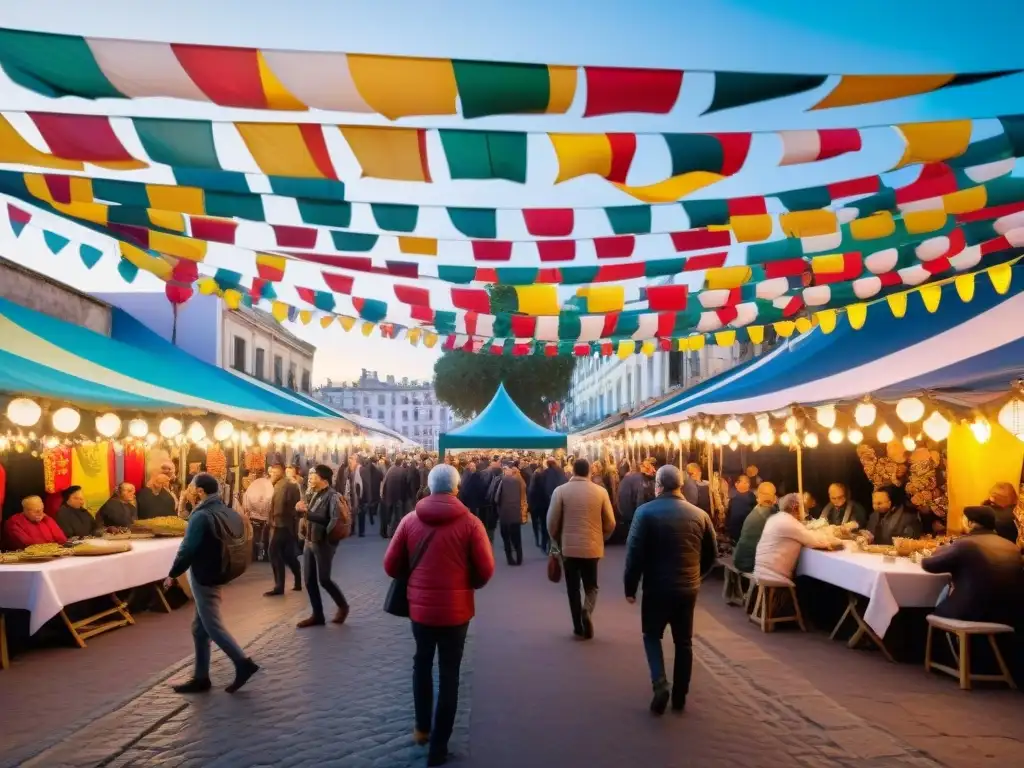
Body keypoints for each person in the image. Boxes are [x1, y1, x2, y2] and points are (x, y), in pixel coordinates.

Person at [383, 464, 495, 767]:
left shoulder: (409, 521)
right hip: (457, 612)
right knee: (449, 674)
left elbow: (391, 566)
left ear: (429, 487)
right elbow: (485, 569)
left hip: (420, 609)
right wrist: (467, 584)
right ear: (456, 488)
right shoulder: (471, 523)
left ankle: (422, 727)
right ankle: (439, 746)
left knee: (421, 662)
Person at [624, 465, 717, 715]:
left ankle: (660, 683)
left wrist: (630, 587)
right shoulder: (700, 514)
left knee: (652, 635)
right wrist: (697, 576)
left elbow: (634, 553)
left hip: (656, 587)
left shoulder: (644, 513)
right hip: (688, 588)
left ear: (658, 485)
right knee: (684, 641)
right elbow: (712, 554)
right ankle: (680, 696)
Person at [164, 473, 258, 694]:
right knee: (199, 628)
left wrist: (172, 574)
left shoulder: (201, 516)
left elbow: (187, 549)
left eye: (190, 486)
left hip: (203, 574)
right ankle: (201, 676)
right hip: (219, 570)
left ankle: (242, 663)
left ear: (199, 491)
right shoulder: (227, 510)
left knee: (212, 624)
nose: (187, 490)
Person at [547, 458, 617, 640]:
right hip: (592, 546)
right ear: (589, 472)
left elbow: (551, 521)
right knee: (591, 585)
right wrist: (602, 536)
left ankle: (577, 625)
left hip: (568, 547)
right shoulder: (600, 492)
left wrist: (556, 539)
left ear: (572, 471)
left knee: (572, 588)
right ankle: (587, 610)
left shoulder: (560, 491)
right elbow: (611, 522)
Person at [922, 505, 1024, 625]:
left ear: (970, 523)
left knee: (941, 598)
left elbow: (929, 565)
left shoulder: (966, 544)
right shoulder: (1011, 546)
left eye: (962, 519)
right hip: (1008, 615)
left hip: (971, 614)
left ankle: (946, 642)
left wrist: (940, 549)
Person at [296, 464, 351, 628]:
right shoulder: (312, 493)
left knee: (324, 579)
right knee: (308, 579)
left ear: (324, 479)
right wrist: (300, 509)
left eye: (314, 476)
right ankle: (317, 615)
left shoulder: (333, 496)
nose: (310, 478)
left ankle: (343, 606)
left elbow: (332, 521)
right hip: (309, 540)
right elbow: (305, 513)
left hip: (324, 543)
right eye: (310, 476)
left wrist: (307, 514)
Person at [753, 493, 842, 583]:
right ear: (795, 508)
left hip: (760, 570)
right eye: (802, 508)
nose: (803, 511)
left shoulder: (775, 518)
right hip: (774, 575)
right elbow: (815, 541)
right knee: (812, 580)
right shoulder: (791, 523)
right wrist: (836, 541)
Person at [265, 461, 302, 597]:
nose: (272, 474)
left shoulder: (284, 485)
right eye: (271, 472)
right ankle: (297, 581)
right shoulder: (284, 484)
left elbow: (280, 506)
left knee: (274, 552)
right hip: (287, 525)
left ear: (281, 471)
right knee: (287, 554)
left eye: (275, 472)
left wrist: (273, 518)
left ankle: (279, 586)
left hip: (282, 524)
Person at [732, 482, 778, 574]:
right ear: (773, 497)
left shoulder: (757, 509)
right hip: (751, 564)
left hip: (739, 559)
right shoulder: (769, 515)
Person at [496, 463, 528, 566]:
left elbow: (496, 498)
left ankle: (510, 559)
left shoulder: (502, 481)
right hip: (516, 512)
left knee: (506, 538)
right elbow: (523, 495)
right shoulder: (519, 481)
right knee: (517, 537)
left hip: (505, 514)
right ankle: (519, 558)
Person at [356, 455, 383, 537]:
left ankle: (361, 531)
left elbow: (360, 484)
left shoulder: (362, 471)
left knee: (361, 513)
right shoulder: (377, 471)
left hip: (363, 495)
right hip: (371, 495)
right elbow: (381, 479)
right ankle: (370, 519)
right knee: (367, 509)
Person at [726, 474, 758, 542]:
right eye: (743, 482)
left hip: (746, 532)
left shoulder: (752, 497)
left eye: (747, 482)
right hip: (733, 532)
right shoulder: (732, 496)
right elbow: (728, 514)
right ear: (736, 484)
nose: (745, 484)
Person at [380, 460, 407, 540]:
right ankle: (393, 533)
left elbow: (385, 482)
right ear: (402, 463)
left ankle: (384, 532)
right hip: (398, 496)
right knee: (397, 516)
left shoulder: (390, 469)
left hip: (388, 495)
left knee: (387, 515)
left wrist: (383, 494)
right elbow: (405, 485)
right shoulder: (403, 471)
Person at [617, 461, 646, 527]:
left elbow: (619, 499)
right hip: (635, 517)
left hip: (627, 515)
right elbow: (640, 499)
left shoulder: (623, 481)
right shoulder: (639, 478)